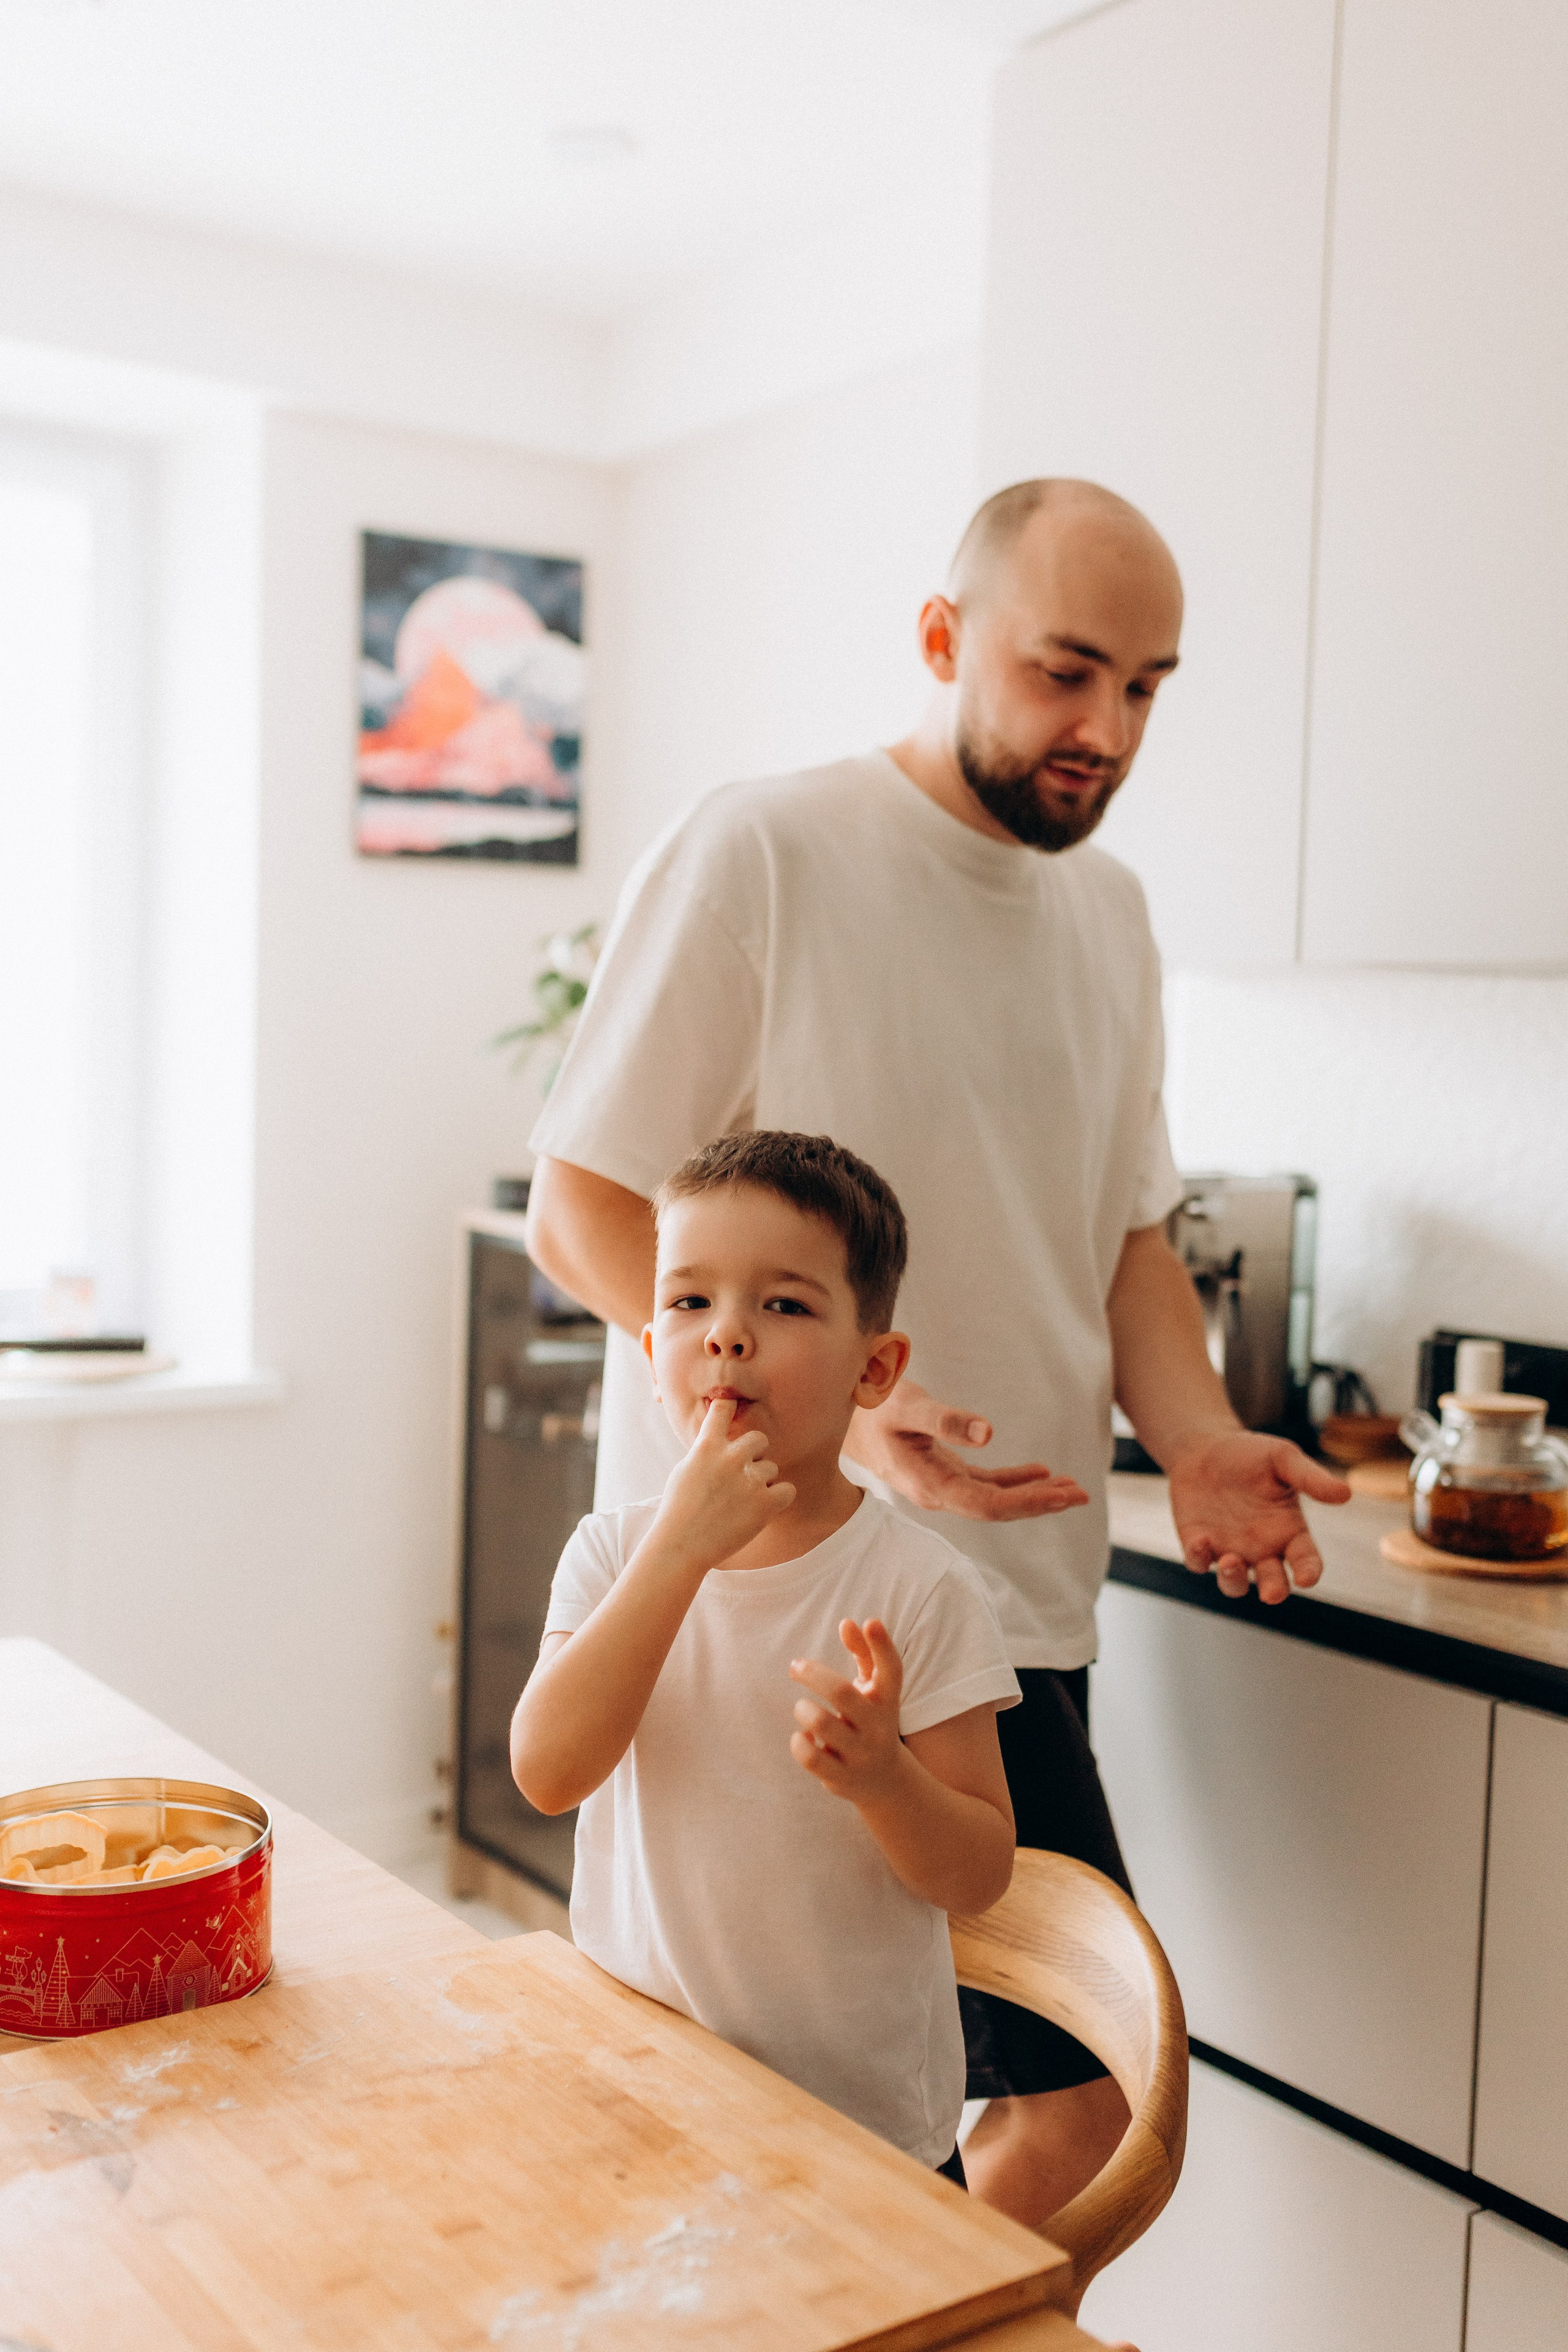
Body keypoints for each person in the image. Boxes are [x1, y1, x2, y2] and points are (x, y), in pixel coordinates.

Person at [523, 477, 1352, 2228]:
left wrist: (1197, 1436)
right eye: (1067, 673)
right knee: (1024, 2109)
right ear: (940, 639)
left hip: (1011, 1601)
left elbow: (1127, 1240)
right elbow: (582, 1209)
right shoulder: (765, 851)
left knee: (941, 2117)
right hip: (775, 1596)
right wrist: (820, 1437)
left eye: (1147, 686)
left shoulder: (1109, 919)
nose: (1106, 729)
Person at [510, 1131, 1020, 2178]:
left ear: (875, 1369)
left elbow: (978, 1875)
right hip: (644, 2099)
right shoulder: (612, 1553)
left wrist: (886, 1782)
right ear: (651, 1355)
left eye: (783, 1305)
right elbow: (547, 1772)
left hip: (861, 2139)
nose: (727, 1337)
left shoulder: (920, 1590)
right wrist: (682, 1549)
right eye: (690, 1302)